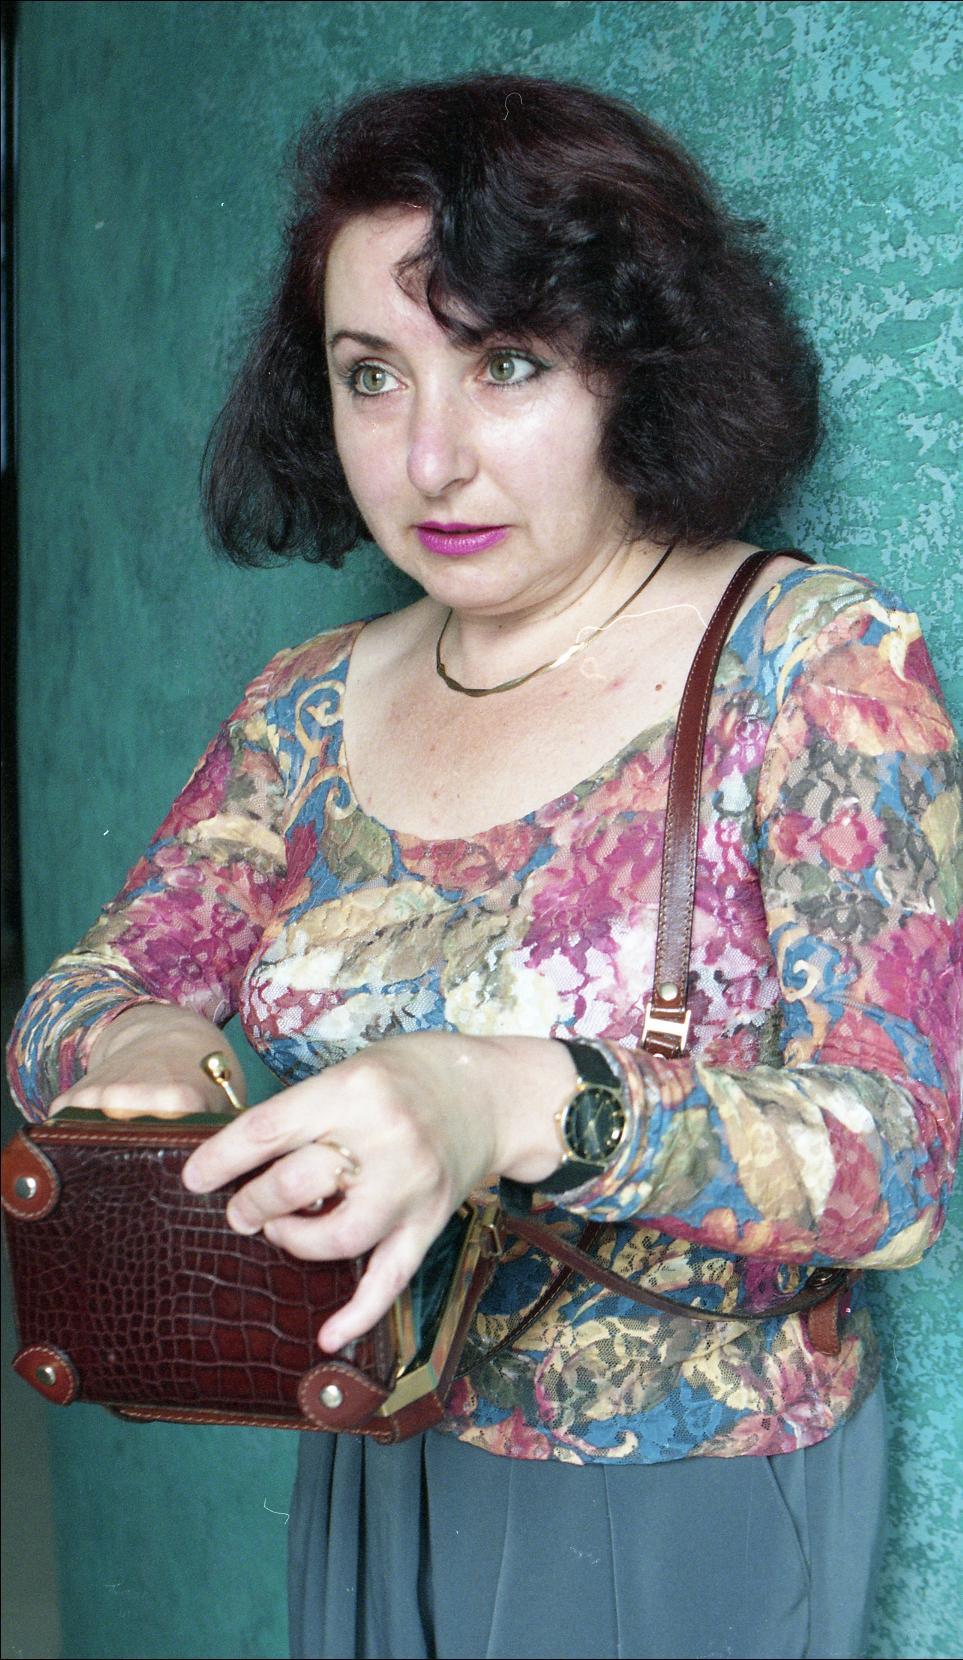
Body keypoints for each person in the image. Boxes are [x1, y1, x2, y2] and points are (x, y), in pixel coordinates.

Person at [7, 72, 961, 1660]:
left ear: (637, 365)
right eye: (371, 375)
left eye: (505, 362)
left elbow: (900, 1162)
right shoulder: (307, 705)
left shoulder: (814, 664)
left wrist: (495, 1099)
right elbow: (74, 998)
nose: (429, 458)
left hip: (685, 1488)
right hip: (372, 1442)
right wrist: (146, 1043)